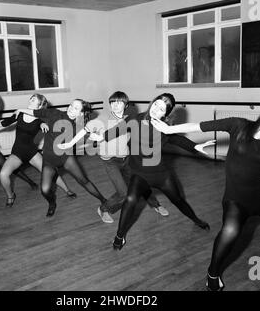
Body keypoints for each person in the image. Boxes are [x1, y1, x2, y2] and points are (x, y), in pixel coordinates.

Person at [90, 93, 212, 251]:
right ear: (151, 103)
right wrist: (101, 137)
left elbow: (177, 139)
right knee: (130, 200)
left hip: (161, 174)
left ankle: (197, 220)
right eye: (156, 104)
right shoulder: (135, 119)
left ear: (165, 114)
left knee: (179, 201)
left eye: (161, 109)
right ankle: (119, 236)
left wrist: (195, 147)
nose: (156, 109)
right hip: (140, 174)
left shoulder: (164, 128)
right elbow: (117, 130)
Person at [151, 114, 260, 291]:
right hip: (237, 197)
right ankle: (213, 274)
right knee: (231, 229)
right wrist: (169, 130)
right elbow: (200, 126)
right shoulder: (238, 126)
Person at [59, 91, 169, 224]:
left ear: (126, 104)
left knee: (141, 183)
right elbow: (85, 129)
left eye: (119, 102)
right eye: (112, 102)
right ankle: (103, 209)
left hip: (127, 159)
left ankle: (155, 204)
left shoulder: (131, 118)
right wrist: (70, 143)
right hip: (110, 162)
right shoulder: (104, 118)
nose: (115, 105)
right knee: (123, 193)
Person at [15, 98, 109, 218]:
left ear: (81, 113)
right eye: (71, 105)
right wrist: (19, 110)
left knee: (84, 181)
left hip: (65, 158)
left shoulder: (78, 125)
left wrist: (97, 136)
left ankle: (104, 200)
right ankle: (52, 203)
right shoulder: (55, 113)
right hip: (49, 159)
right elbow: (34, 112)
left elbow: (86, 133)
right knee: (44, 190)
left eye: (76, 108)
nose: (71, 109)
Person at [0, 94, 76, 207]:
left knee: (51, 172)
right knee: (3, 174)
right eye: (31, 98)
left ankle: (67, 190)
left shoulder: (39, 120)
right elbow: (6, 122)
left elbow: (43, 123)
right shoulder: (20, 114)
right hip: (17, 152)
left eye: (34, 100)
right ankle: (10, 195)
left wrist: (43, 125)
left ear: (40, 105)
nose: (30, 100)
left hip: (31, 153)